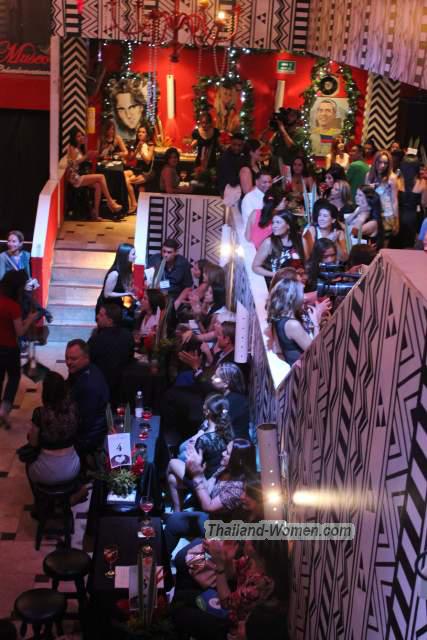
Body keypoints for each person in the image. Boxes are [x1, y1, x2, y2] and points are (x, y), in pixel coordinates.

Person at [172, 536, 289, 640]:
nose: (246, 540)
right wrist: (227, 559)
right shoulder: (253, 561)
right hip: (233, 607)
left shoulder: (261, 583)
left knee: (179, 613)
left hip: (234, 626)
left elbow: (226, 603)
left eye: (251, 539)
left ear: (259, 550)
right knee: (180, 596)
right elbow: (232, 573)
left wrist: (219, 565)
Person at [164, 438, 256, 553]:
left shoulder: (237, 487)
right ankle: (159, 560)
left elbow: (208, 506)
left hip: (221, 533)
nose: (223, 453)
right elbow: (208, 488)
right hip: (211, 520)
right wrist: (198, 469)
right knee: (174, 521)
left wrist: (197, 475)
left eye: (227, 453)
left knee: (182, 558)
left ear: (239, 460)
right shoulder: (225, 469)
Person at [167, 393, 234, 511]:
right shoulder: (228, 432)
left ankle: (175, 509)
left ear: (207, 412)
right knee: (172, 479)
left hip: (205, 485)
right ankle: (177, 512)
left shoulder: (204, 440)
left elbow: (192, 470)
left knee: (172, 463)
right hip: (217, 479)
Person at [27, 372, 80, 485]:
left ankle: (39, 494)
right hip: (73, 468)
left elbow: (33, 443)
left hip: (45, 473)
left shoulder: (39, 413)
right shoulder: (74, 408)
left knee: (27, 461)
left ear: (45, 392)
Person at [0, 271, 38, 428]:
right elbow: (20, 331)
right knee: (14, 377)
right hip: (9, 348)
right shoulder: (12, 306)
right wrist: (30, 319)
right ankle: (4, 409)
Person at [66, 126, 122, 220]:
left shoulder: (80, 148)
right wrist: (86, 156)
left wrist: (93, 153)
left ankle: (95, 213)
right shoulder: (72, 148)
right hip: (75, 178)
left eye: (81, 135)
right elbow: (74, 163)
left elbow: (85, 158)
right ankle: (111, 202)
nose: (81, 138)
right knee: (101, 177)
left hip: (80, 174)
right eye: (78, 136)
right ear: (73, 138)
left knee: (98, 185)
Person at [65, 339, 109, 456]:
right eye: (67, 358)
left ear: (86, 358)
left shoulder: (89, 385)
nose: (68, 362)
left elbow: (84, 423)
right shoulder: (83, 370)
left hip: (87, 439)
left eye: (73, 359)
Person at [267, 277, 324, 365]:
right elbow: (316, 351)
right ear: (293, 298)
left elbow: (278, 350)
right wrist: (316, 322)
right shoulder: (292, 325)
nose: (304, 297)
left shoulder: (280, 318)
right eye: (301, 293)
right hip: (306, 370)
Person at [0, 229, 53, 325]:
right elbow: (2, 278)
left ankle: (29, 319)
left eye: (14, 241)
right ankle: (41, 310)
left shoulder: (26, 255)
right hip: (10, 288)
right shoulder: (3, 257)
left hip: (24, 288)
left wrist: (32, 282)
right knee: (23, 292)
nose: (10, 244)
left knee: (25, 292)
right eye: (9, 241)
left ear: (20, 243)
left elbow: (28, 275)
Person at [88, 303, 135, 407]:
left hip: (101, 387)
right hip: (124, 388)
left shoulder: (96, 340)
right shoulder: (128, 335)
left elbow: (87, 360)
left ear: (110, 321)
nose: (97, 317)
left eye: (101, 315)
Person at [98, 119, 138, 213]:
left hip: (119, 165)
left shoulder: (117, 138)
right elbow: (99, 155)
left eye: (112, 129)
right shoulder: (101, 139)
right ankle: (122, 204)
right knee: (117, 177)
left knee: (122, 177)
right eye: (109, 129)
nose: (111, 131)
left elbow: (126, 152)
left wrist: (119, 154)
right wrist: (105, 152)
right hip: (107, 165)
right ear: (105, 130)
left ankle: (127, 204)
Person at [252, 210, 304, 281]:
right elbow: (255, 267)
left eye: (278, 222)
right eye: (273, 222)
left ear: (288, 225)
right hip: (275, 284)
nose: (274, 226)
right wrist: (276, 275)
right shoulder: (269, 242)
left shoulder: (299, 240)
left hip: (295, 282)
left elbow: (305, 263)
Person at [96, 242, 136, 322]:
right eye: (133, 254)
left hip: (116, 305)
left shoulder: (127, 270)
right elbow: (107, 294)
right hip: (107, 308)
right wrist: (127, 294)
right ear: (125, 256)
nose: (135, 256)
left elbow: (127, 287)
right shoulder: (114, 273)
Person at [366, 150, 399, 244]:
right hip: (372, 214)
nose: (382, 165)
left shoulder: (392, 177)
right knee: (370, 244)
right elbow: (365, 197)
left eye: (386, 163)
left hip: (387, 215)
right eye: (380, 162)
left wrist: (396, 221)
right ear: (375, 161)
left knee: (383, 245)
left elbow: (394, 200)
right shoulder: (369, 175)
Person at [211, 362, 250, 439]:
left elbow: (218, 427)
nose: (212, 377)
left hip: (234, 442)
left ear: (226, 383)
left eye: (216, 376)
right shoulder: (226, 396)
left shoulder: (234, 401)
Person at [109, 76, 146, 141]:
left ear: (141, 107)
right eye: (121, 109)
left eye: (132, 107)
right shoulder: (114, 130)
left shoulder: (150, 127)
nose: (128, 115)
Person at [217, 133, 246, 198]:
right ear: (230, 143)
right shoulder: (225, 158)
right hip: (227, 194)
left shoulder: (241, 156)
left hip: (234, 192)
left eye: (239, 145)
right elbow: (232, 181)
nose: (236, 147)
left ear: (243, 146)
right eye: (234, 144)